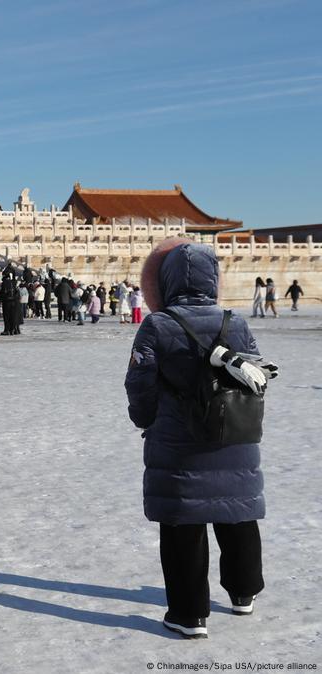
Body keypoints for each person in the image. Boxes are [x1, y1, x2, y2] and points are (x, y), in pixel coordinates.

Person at [126, 239, 266, 639]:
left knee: (183, 520)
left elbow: (140, 383)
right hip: (233, 433)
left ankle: (189, 615)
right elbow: (257, 374)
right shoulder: (234, 321)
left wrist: (146, 419)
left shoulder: (158, 324)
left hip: (178, 437)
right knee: (237, 508)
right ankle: (243, 592)